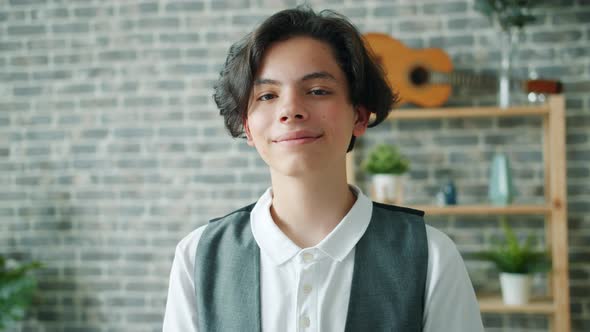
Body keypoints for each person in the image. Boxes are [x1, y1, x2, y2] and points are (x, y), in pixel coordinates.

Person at [163, 6, 484, 332]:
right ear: (246, 125)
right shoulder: (197, 258)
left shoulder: (431, 257)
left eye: (317, 91)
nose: (290, 110)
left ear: (359, 116)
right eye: (268, 95)